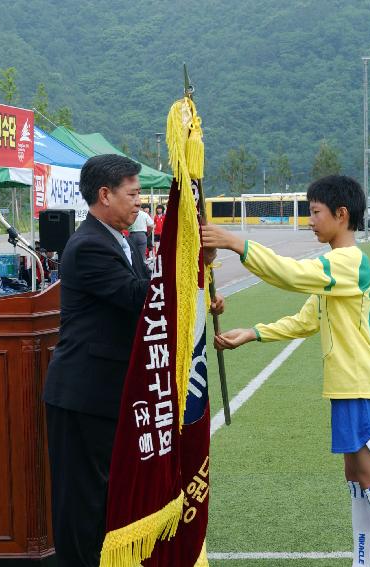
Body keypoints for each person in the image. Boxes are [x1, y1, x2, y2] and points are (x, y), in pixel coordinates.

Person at [201, 175, 370, 567]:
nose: (309, 221)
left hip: (363, 385)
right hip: (347, 387)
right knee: (357, 476)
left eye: (314, 213)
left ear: (341, 215)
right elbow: (306, 320)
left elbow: (291, 275)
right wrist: (254, 333)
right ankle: (363, 561)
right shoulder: (335, 270)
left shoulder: (349, 261)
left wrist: (233, 242)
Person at [43, 154, 224, 566]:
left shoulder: (115, 238)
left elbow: (147, 292)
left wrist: (195, 288)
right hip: (83, 394)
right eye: (134, 193)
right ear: (105, 195)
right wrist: (185, 265)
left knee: (106, 497)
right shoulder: (90, 244)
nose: (139, 202)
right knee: (83, 504)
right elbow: (140, 298)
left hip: (109, 394)